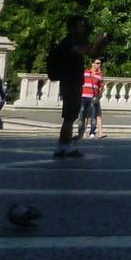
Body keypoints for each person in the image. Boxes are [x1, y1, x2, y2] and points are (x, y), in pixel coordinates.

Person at [50, 17, 107, 158]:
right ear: (72, 28)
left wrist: (101, 45)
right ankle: (65, 146)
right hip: (70, 81)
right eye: (79, 26)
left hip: (74, 81)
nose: (82, 29)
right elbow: (81, 51)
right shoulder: (68, 41)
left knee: (70, 115)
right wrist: (95, 42)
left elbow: (92, 53)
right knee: (70, 115)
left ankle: (63, 146)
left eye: (83, 26)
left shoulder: (75, 41)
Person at [80, 57, 104, 138]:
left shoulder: (100, 75)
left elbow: (101, 86)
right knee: (84, 115)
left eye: (100, 63)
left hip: (93, 98)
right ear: (92, 64)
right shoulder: (85, 72)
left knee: (93, 115)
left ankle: (92, 132)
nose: (99, 65)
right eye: (97, 63)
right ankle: (83, 132)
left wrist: (99, 95)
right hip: (84, 97)